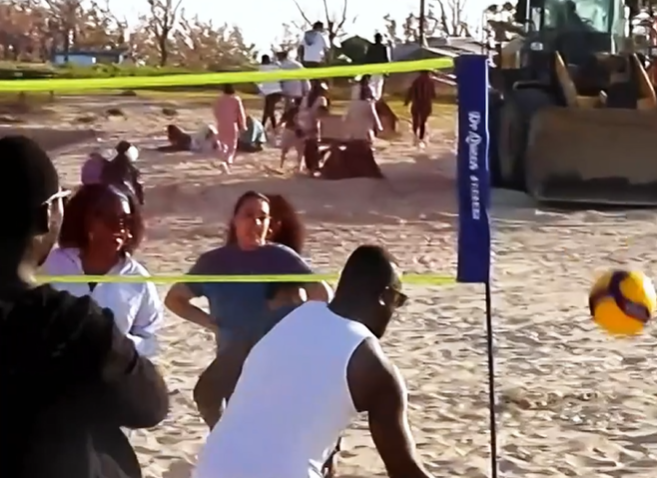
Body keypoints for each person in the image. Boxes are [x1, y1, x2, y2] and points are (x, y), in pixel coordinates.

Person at [0, 136, 168, 478]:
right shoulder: (71, 324)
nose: (119, 229)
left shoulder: (135, 281)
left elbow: (149, 337)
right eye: (59, 200)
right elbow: (152, 405)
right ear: (47, 215)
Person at [193, 245, 434, 478]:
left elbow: (205, 390)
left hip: (210, 469)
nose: (395, 311)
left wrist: (231, 441)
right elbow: (403, 470)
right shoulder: (373, 366)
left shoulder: (287, 321)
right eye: (398, 300)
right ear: (384, 297)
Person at [164, 190, 330, 347]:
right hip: (231, 356)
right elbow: (174, 300)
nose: (256, 223)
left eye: (262, 218)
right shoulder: (213, 262)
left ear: (269, 224)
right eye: (249, 215)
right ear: (235, 220)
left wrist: (298, 322)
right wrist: (212, 325)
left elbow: (322, 293)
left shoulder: (282, 257)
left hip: (277, 355)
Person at [42, 184, 163, 358]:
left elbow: (150, 341)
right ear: (87, 220)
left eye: (126, 220)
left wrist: (117, 343)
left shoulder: (139, 281)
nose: (120, 229)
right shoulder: (51, 265)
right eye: (111, 219)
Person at [213, 83, 247, 173]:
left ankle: (223, 159)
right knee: (232, 144)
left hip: (221, 123)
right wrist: (243, 125)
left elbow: (216, 111)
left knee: (223, 142)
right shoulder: (236, 99)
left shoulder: (219, 100)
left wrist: (219, 119)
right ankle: (227, 161)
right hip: (232, 124)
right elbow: (241, 113)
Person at [298, 80, 331, 173]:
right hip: (313, 123)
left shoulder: (306, 98)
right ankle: (314, 166)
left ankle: (309, 166)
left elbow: (300, 111)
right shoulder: (321, 99)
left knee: (308, 145)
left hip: (303, 122)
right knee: (314, 146)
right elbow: (321, 113)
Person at [102, 140, 144, 205]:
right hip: (122, 192)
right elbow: (137, 185)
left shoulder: (110, 164)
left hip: (106, 191)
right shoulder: (131, 168)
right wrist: (141, 200)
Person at [344, 77, 383, 143]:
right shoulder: (368, 103)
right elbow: (374, 115)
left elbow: (348, 115)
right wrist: (379, 126)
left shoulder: (354, 102)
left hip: (355, 134)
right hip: (365, 134)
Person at [404, 70, 436, 148]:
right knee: (423, 122)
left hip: (416, 104)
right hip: (426, 105)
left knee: (415, 120)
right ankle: (421, 138)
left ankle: (415, 137)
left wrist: (407, 101)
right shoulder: (431, 82)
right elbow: (433, 95)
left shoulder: (416, 81)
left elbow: (410, 92)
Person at [258, 54, 283, 130]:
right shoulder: (275, 67)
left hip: (271, 91)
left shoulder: (262, 68)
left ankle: (266, 126)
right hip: (276, 91)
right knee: (268, 110)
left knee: (269, 110)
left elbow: (260, 80)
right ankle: (266, 126)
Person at [279, 102, 304, 170]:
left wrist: (278, 125)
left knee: (285, 150)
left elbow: (283, 119)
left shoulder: (292, 109)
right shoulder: (306, 111)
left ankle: (281, 165)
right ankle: (299, 167)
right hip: (298, 131)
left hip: (291, 131)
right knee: (300, 151)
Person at [364, 33, 390, 100]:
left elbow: (367, 58)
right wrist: (386, 70)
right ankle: (376, 97)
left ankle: (375, 96)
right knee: (377, 84)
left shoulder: (372, 47)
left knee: (373, 83)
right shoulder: (382, 47)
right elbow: (385, 59)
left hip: (374, 68)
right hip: (378, 68)